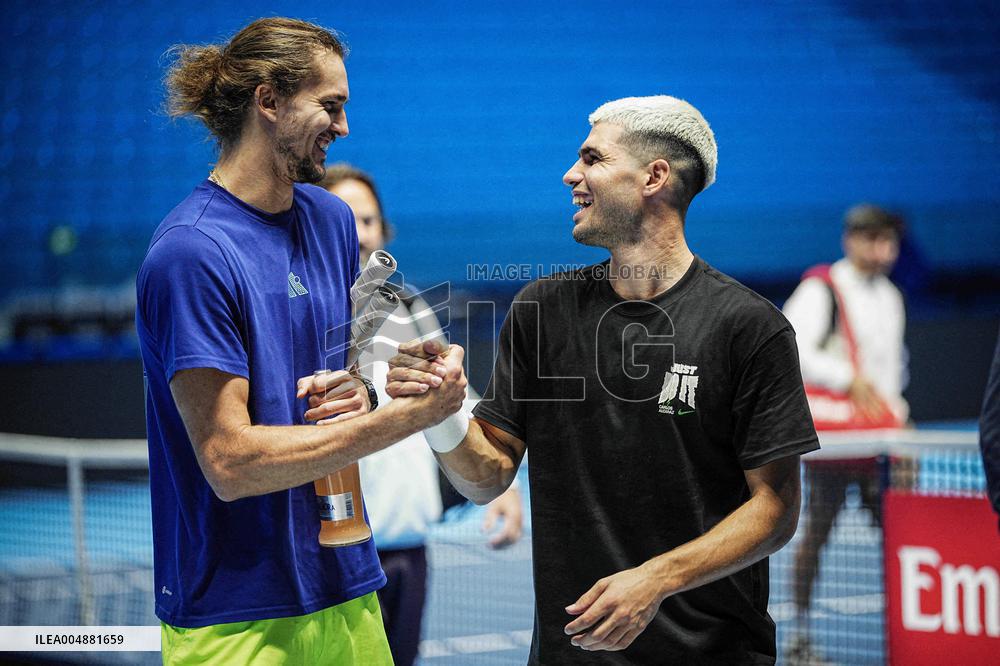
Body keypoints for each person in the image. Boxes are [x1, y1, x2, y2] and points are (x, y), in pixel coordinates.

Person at [385, 95, 819, 664]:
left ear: (654, 177)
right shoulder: (541, 310)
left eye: (592, 159)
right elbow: (488, 479)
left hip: (714, 654)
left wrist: (656, 579)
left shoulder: (749, 327)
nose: (571, 175)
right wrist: (440, 412)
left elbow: (775, 509)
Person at [137, 18, 466, 665]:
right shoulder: (191, 253)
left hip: (348, 584)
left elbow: (339, 375)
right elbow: (230, 463)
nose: (343, 127)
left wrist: (375, 388)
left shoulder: (331, 221)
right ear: (269, 101)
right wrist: (407, 419)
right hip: (235, 613)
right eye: (331, 105)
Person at [320, 164, 524, 666]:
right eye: (345, 219)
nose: (359, 233)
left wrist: (502, 485)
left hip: (409, 548)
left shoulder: (408, 306)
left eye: (368, 220)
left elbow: (453, 393)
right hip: (331, 553)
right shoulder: (303, 311)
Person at [781, 204, 908, 663]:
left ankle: (912, 633)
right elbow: (790, 347)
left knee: (903, 538)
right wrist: (845, 378)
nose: (885, 250)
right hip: (835, 445)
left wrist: (900, 420)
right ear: (851, 240)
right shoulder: (821, 289)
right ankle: (800, 637)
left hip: (882, 445)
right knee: (815, 536)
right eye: (875, 239)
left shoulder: (891, 297)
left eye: (890, 241)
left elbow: (893, 371)